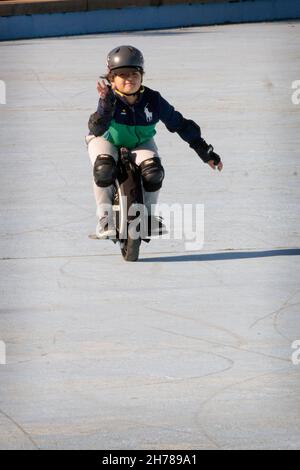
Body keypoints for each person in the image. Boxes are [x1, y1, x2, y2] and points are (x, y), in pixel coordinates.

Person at [85, 45, 223, 239]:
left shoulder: (153, 100)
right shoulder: (108, 98)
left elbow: (180, 124)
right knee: (104, 169)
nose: (129, 79)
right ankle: (104, 219)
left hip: (140, 142)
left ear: (142, 75)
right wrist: (106, 106)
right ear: (112, 78)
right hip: (106, 140)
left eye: (134, 73)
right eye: (122, 74)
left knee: (154, 172)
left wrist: (204, 151)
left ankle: (147, 217)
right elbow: (96, 129)